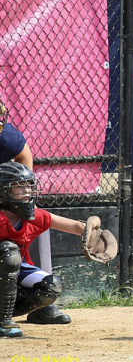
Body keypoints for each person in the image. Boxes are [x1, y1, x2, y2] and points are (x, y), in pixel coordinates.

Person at [0, 162, 111, 337]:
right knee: (8, 252)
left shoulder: (31, 217)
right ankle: (3, 323)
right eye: (19, 187)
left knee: (51, 286)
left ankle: (19, 313)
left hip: (11, 276)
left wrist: (98, 234)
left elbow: (75, 226)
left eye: (29, 186)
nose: (27, 192)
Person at [0, 102, 66, 324]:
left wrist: (21, 193)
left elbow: (23, 153)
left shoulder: (6, 137)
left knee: (26, 227)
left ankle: (37, 302)